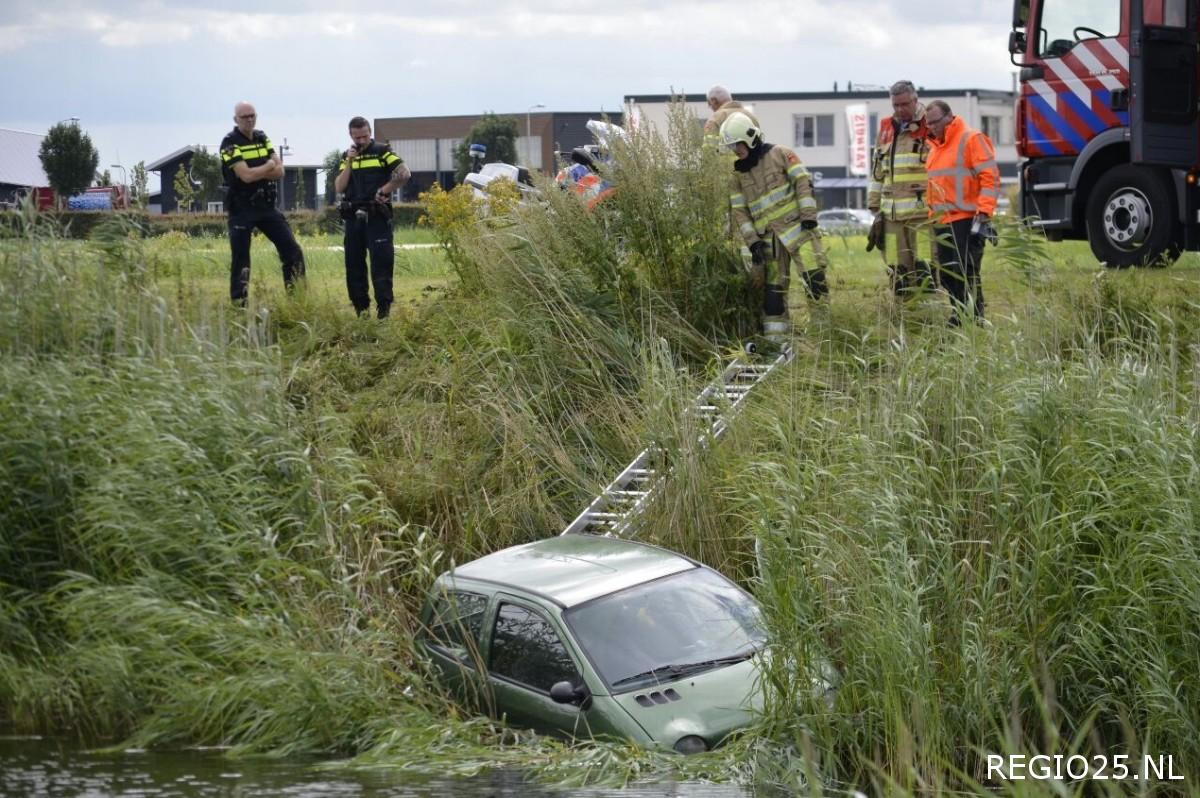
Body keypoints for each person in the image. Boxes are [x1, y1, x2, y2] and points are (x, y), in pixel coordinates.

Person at [720, 112, 830, 342]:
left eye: (737, 144)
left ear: (749, 138)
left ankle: (825, 336)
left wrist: (809, 216)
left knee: (814, 281)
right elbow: (740, 213)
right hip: (768, 242)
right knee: (773, 295)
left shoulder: (781, 153)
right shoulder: (737, 177)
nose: (735, 150)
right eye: (731, 146)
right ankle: (775, 342)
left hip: (801, 231)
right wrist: (753, 243)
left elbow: (803, 180)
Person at [219, 101, 305, 306]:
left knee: (292, 251)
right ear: (235, 120)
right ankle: (240, 306)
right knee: (241, 259)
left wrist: (263, 170)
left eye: (252, 115)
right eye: (244, 116)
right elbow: (246, 176)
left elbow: (281, 171)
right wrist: (268, 165)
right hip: (241, 207)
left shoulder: (262, 137)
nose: (249, 119)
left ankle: (297, 300)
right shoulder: (229, 143)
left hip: (266, 206)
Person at [925, 100, 1000, 326]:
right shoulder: (934, 147)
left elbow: (990, 178)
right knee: (947, 274)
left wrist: (984, 212)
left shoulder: (971, 139)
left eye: (936, 122)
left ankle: (973, 318)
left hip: (966, 219)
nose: (932, 127)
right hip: (941, 221)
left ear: (949, 117)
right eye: (929, 124)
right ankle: (960, 313)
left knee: (965, 271)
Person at [333, 116, 410, 319]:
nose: (361, 141)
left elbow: (404, 174)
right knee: (354, 265)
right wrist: (349, 161)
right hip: (353, 218)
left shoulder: (382, 151)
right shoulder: (346, 156)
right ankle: (361, 311)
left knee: (381, 264)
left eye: (365, 136)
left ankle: (383, 311)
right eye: (357, 137)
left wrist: (386, 189)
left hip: (377, 216)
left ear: (370, 133)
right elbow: (339, 187)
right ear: (351, 135)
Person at [867, 80, 934, 298]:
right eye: (895, 105)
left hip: (922, 215)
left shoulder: (931, 125)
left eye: (904, 104)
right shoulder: (886, 127)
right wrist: (874, 205)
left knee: (926, 270)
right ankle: (904, 317)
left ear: (915, 100)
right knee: (898, 271)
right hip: (891, 215)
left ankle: (932, 318)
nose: (899, 109)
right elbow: (877, 170)